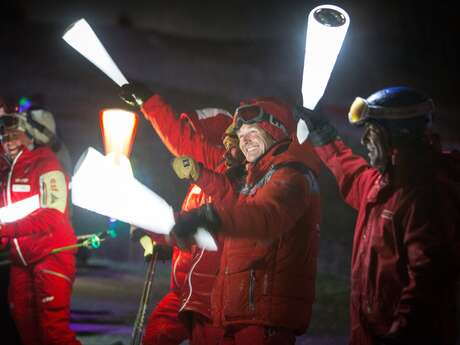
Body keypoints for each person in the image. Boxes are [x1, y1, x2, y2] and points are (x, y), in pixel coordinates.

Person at [294, 86, 460, 345]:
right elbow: (352, 173)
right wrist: (322, 134)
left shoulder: (423, 197)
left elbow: (427, 280)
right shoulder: (384, 183)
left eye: (370, 133)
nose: (362, 142)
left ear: (393, 138)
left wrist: (399, 334)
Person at [170, 97, 322, 345]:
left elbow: (265, 217)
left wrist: (211, 218)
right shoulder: (255, 180)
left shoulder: (292, 175)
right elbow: (229, 198)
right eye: (241, 134)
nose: (244, 140)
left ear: (274, 131)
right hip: (240, 314)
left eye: (253, 131)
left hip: (265, 320)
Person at [121, 83, 241, 345]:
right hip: (186, 289)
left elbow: (179, 139)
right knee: (156, 335)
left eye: (198, 135)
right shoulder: (201, 183)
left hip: (212, 295)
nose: (192, 142)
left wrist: (149, 103)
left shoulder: (232, 180)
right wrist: (157, 237)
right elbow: (185, 224)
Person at [0, 112, 81, 345]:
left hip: (52, 254)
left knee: (54, 333)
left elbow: (53, 215)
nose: (9, 141)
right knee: (27, 332)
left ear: (30, 136)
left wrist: (5, 230)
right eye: (4, 137)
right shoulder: (6, 173)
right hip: (21, 261)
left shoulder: (46, 163)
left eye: (15, 136)